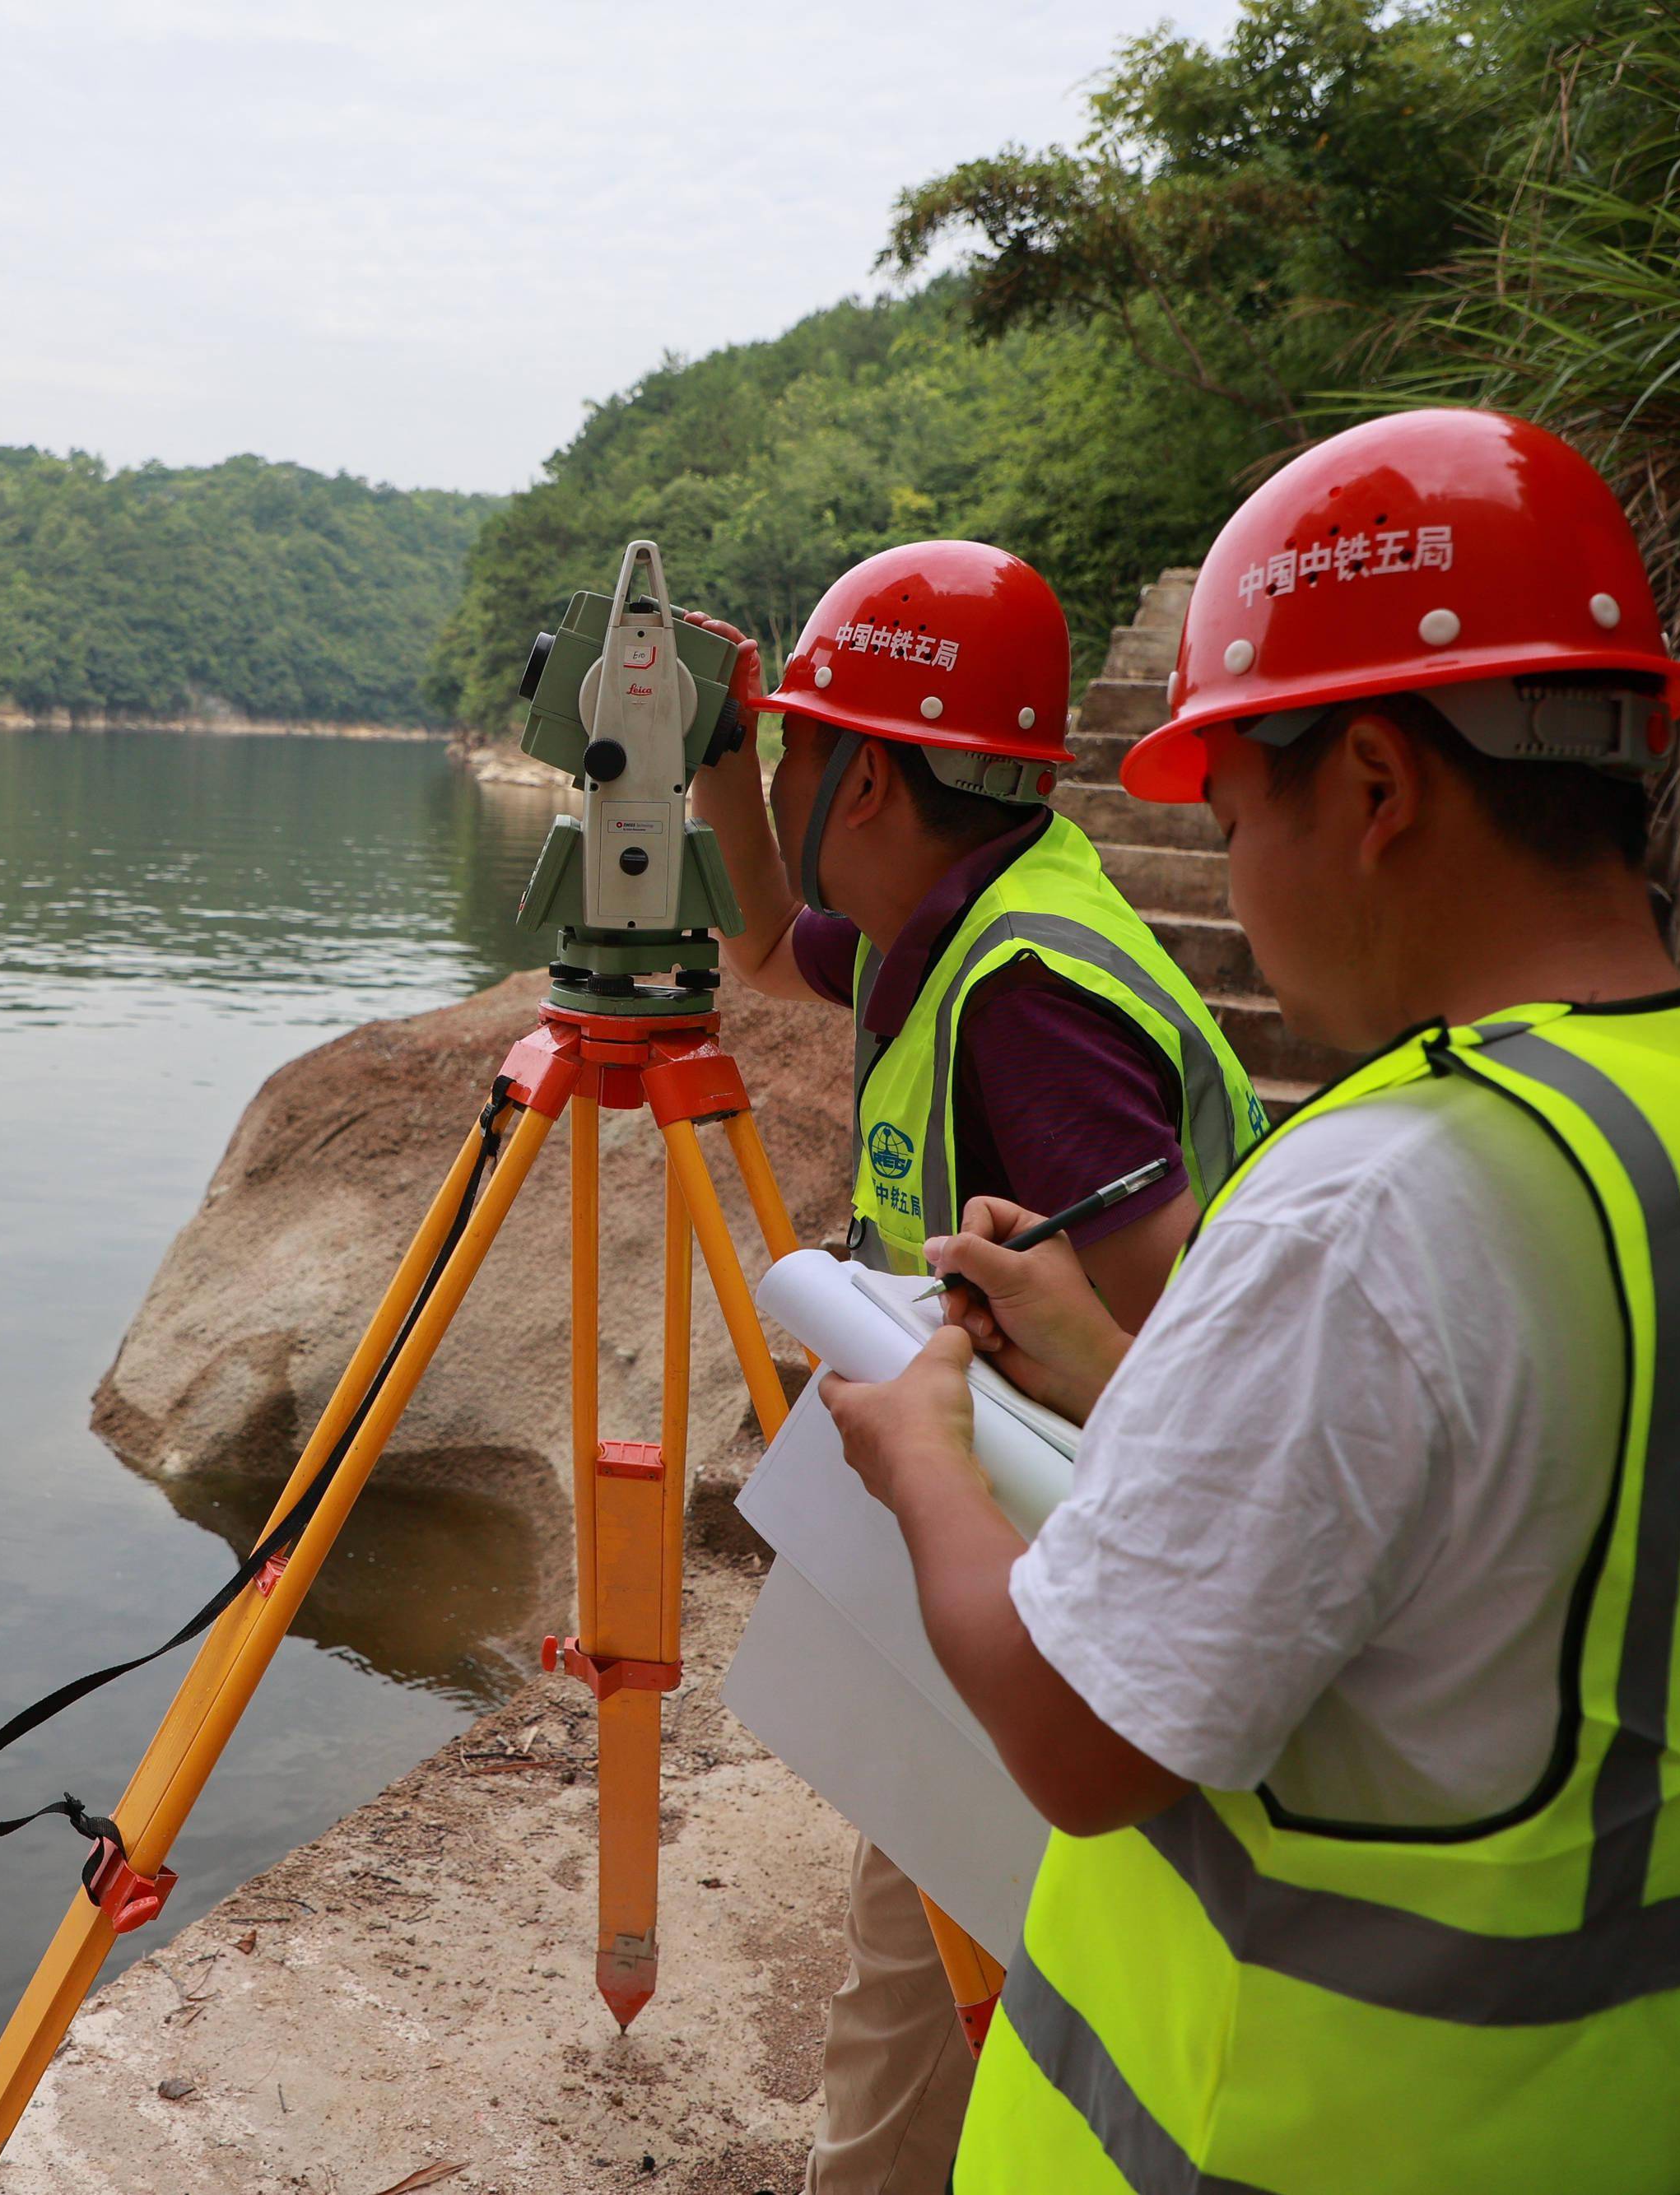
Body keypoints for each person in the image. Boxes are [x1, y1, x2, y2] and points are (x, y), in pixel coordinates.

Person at [817, 409, 1680, 2193]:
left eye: (1234, 810)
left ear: (1373, 790)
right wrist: (1118, 1372)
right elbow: (1515, 1543)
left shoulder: (1372, 1195)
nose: (1235, 886)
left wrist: (924, 1454)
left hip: (1281, 2143)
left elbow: (1072, 1733)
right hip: (1637, 2131)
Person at [685, 541, 1267, 2195]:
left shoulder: (1025, 997)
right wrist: (724, 760)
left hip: (1064, 1551)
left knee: (924, 1957)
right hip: (1008, 1508)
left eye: (798, 742)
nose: (787, 769)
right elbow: (758, 944)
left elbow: (1184, 1351)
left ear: (862, 775)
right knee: (929, 1932)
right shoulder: (955, 912)